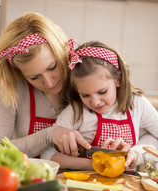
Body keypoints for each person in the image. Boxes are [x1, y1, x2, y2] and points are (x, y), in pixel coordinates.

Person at [41, 38, 158, 170]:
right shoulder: (75, 112)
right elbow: (47, 153)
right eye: (85, 95)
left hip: (126, 184)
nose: (95, 102)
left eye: (102, 92)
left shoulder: (137, 104)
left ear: (118, 80)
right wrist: (92, 165)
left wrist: (136, 154)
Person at [0, 12, 91, 158]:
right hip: (32, 178)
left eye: (52, 67)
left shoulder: (84, 74)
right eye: (34, 77)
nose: (48, 82)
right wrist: (49, 135)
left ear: (61, 51)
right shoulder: (11, 87)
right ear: (19, 73)